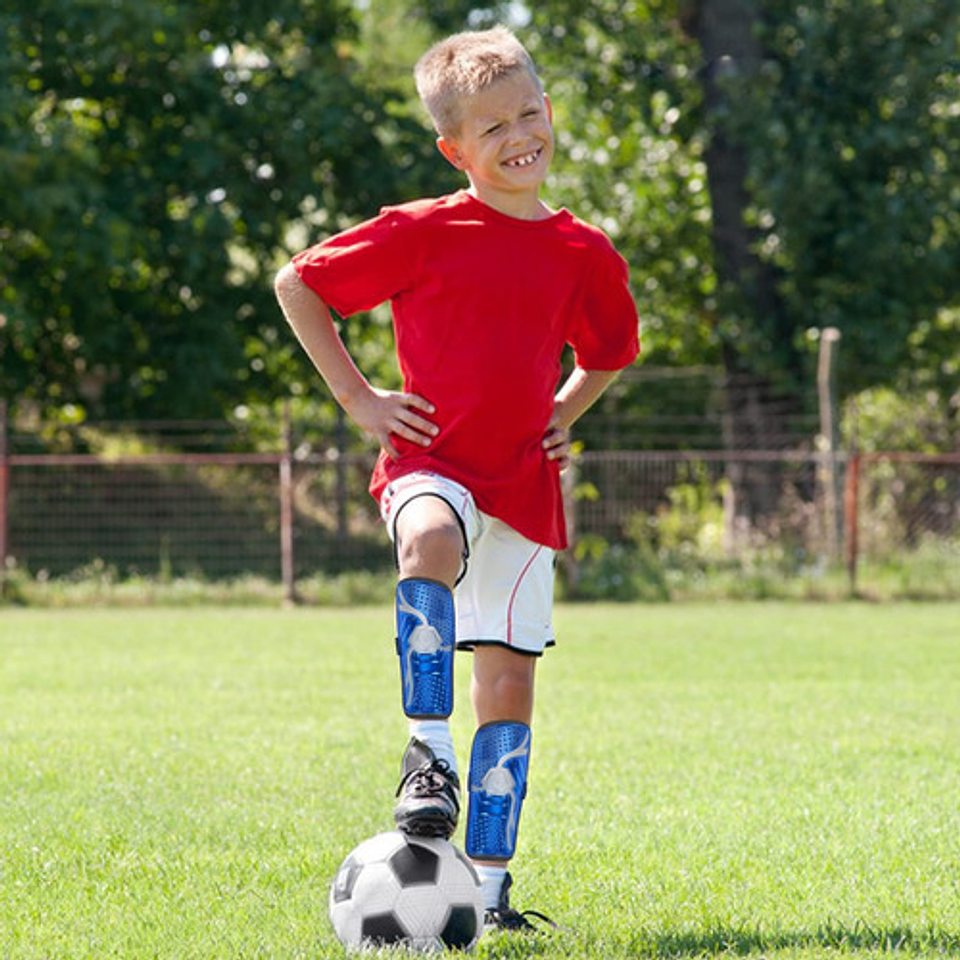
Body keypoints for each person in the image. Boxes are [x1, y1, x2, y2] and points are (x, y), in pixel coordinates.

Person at [274, 25, 639, 932]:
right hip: (430, 461)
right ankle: (427, 757)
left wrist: (564, 412)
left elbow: (611, 351)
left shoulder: (583, 250)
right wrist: (359, 399)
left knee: (509, 688)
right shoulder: (423, 231)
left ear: (549, 112)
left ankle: (489, 892)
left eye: (528, 113)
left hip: (523, 485)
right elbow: (299, 285)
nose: (519, 135)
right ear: (454, 148)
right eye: (491, 127)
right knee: (428, 538)